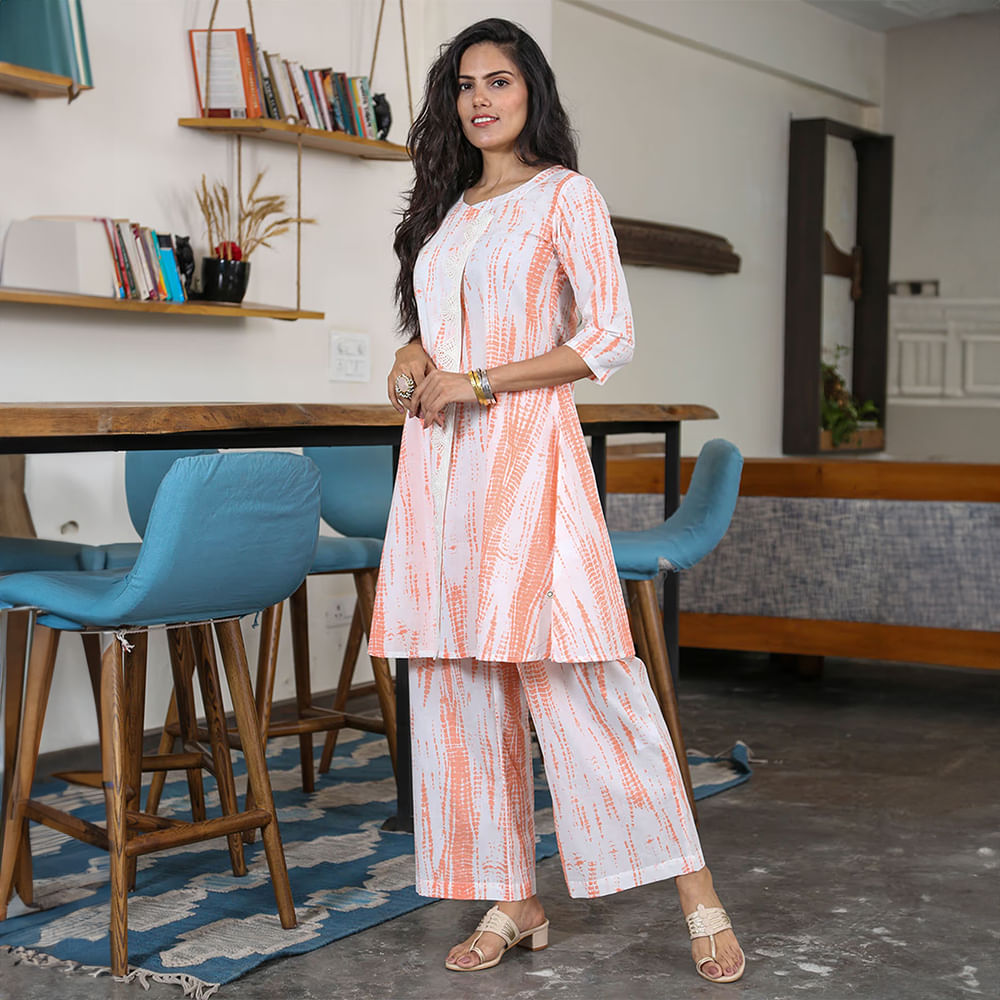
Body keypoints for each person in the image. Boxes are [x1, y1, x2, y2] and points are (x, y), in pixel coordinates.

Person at [369, 17, 746, 984]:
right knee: (458, 685)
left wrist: (480, 381)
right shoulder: (445, 211)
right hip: (439, 475)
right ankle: (513, 896)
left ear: (531, 90)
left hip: (527, 460)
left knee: (585, 676)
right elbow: (441, 327)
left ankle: (696, 890)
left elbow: (608, 337)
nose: (480, 99)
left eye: (498, 80)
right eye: (465, 85)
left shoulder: (565, 197)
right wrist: (414, 352)